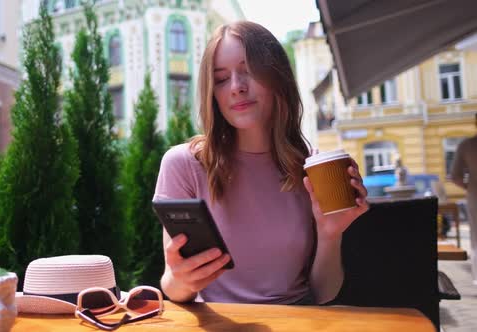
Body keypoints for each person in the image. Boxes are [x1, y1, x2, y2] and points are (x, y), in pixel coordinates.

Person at [153, 21, 369, 305]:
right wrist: (181, 279)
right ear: (212, 94)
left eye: (249, 71)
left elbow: (323, 294)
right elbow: (174, 288)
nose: (236, 87)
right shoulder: (184, 164)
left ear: (277, 76)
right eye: (220, 79)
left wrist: (331, 235)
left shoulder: (311, 167)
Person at [451, 113, 477, 285]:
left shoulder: (467, 146)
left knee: (476, 238)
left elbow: (455, 176)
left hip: (475, 195)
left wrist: (470, 188)